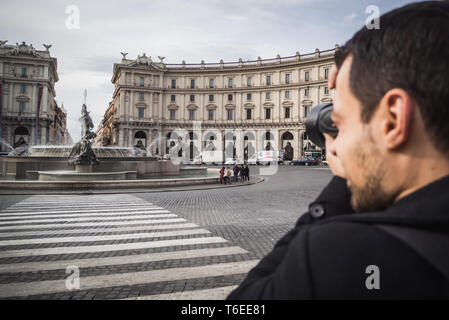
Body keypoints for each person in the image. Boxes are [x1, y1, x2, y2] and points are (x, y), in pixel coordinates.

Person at [228, 1, 449, 299]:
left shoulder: (340, 256)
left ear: (393, 119)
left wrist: (345, 180)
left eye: (340, 123)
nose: (337, 143)